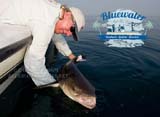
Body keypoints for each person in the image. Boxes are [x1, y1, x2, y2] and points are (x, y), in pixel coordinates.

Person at [0, 0, 85, 87]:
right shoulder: (46, 23)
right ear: (68, 14)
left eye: (72, 33)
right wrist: (55, 86)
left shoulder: (54, 10)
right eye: (72, 29)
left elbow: (56, 36)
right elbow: (33, 64)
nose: (68, 34)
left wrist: (70, 55)